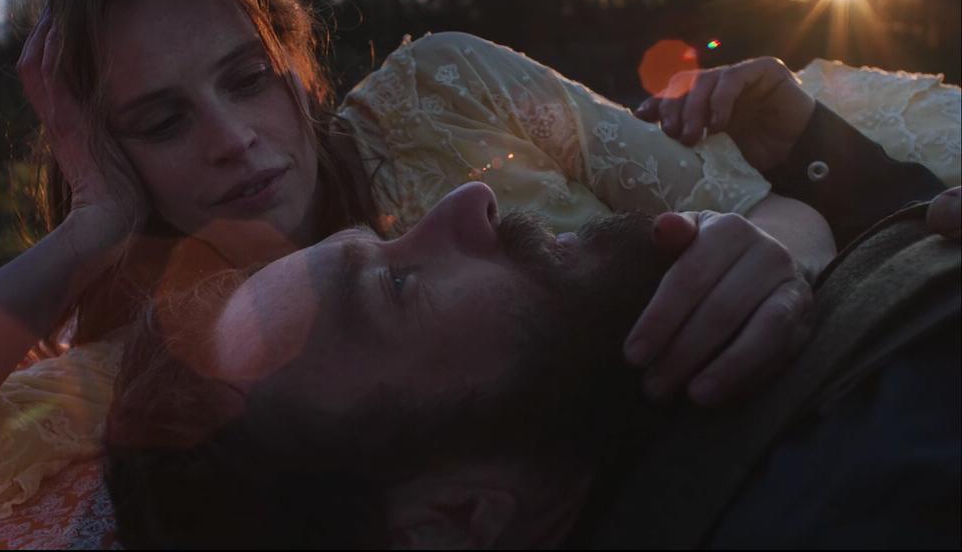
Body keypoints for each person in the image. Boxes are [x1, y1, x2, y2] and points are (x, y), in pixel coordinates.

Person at [0, 0, 954, 520]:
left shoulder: (446, 89)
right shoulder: (190, 353)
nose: (232, 138)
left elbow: (773, 205)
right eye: (161, 121)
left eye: (246, 78)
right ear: (109, 153)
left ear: (294, 65)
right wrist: (92, 225)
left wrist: (763, 253)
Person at [101, 181, 960, 549]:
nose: (466, 201)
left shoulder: (667, 431)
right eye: (397, 285)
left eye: (387, 240)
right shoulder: (878, 480)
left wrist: (797, 253)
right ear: (451, 522)